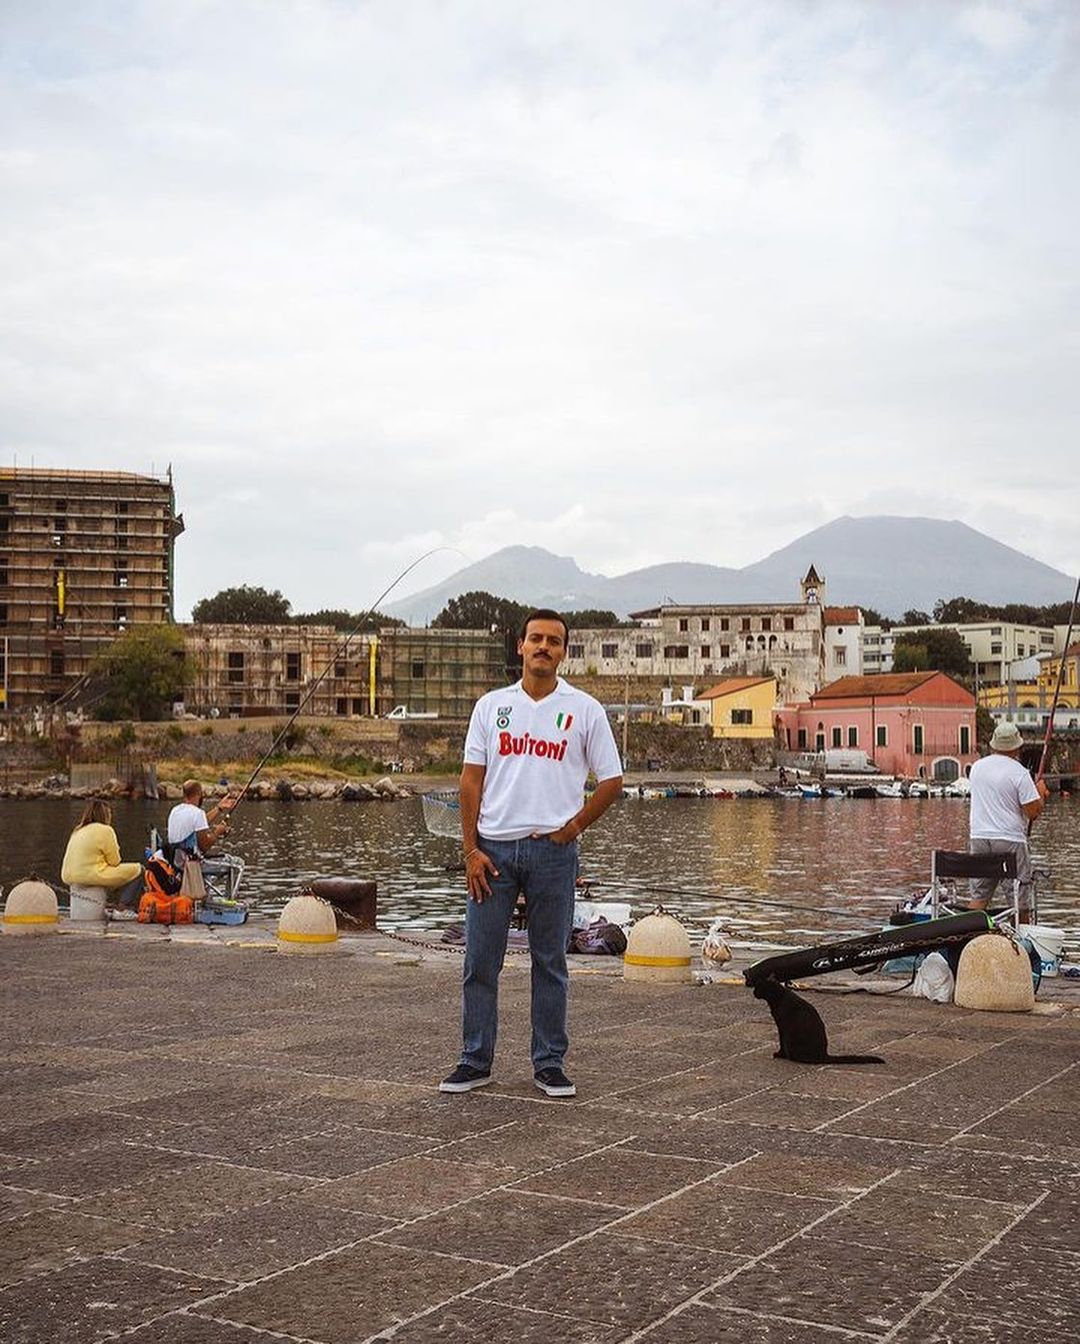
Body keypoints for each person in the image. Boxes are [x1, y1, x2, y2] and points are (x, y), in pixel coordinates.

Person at [440, 609, 623, 1099]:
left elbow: (612, 781)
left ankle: (549, 1064)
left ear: (565, 651)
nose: (544, 647)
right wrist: (470, 850)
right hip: (492, 853)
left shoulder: (584, 710)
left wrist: (576, 826)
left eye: (554, 641)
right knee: (480, 960)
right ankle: (474, 1060)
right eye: (536, 639)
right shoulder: (490, 707)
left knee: (550, 963)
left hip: (553, 854)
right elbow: (470, 782)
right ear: (519, 646)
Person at [968, 721, 1049, 921]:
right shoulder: (1019, 773)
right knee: (1019, 900)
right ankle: (1021, 941)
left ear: (994, 745)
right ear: (1017, 747)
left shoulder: (977, 767)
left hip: (979, 838)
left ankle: (967, 940)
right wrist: (1040, 794)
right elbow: (1033, 812)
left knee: (979, 896)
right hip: (1010, 841)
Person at [61, 799, 143, 917]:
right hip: (91, 875)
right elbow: (115, 862)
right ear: (105, 815)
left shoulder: (77, 830)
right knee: (139, 870)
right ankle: (122, 910)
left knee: (112, 876)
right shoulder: (106, 830)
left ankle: (101, 908)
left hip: (70, 876)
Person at [167, 779, 237, 886]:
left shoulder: (175, 810)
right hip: (190, 865)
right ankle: (227, 898)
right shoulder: (197, 813)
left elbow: (198, 822)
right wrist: (217, 832)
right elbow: (205, 846)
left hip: (175, 861)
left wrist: (219, 808)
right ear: (199, 794)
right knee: (236, 865)